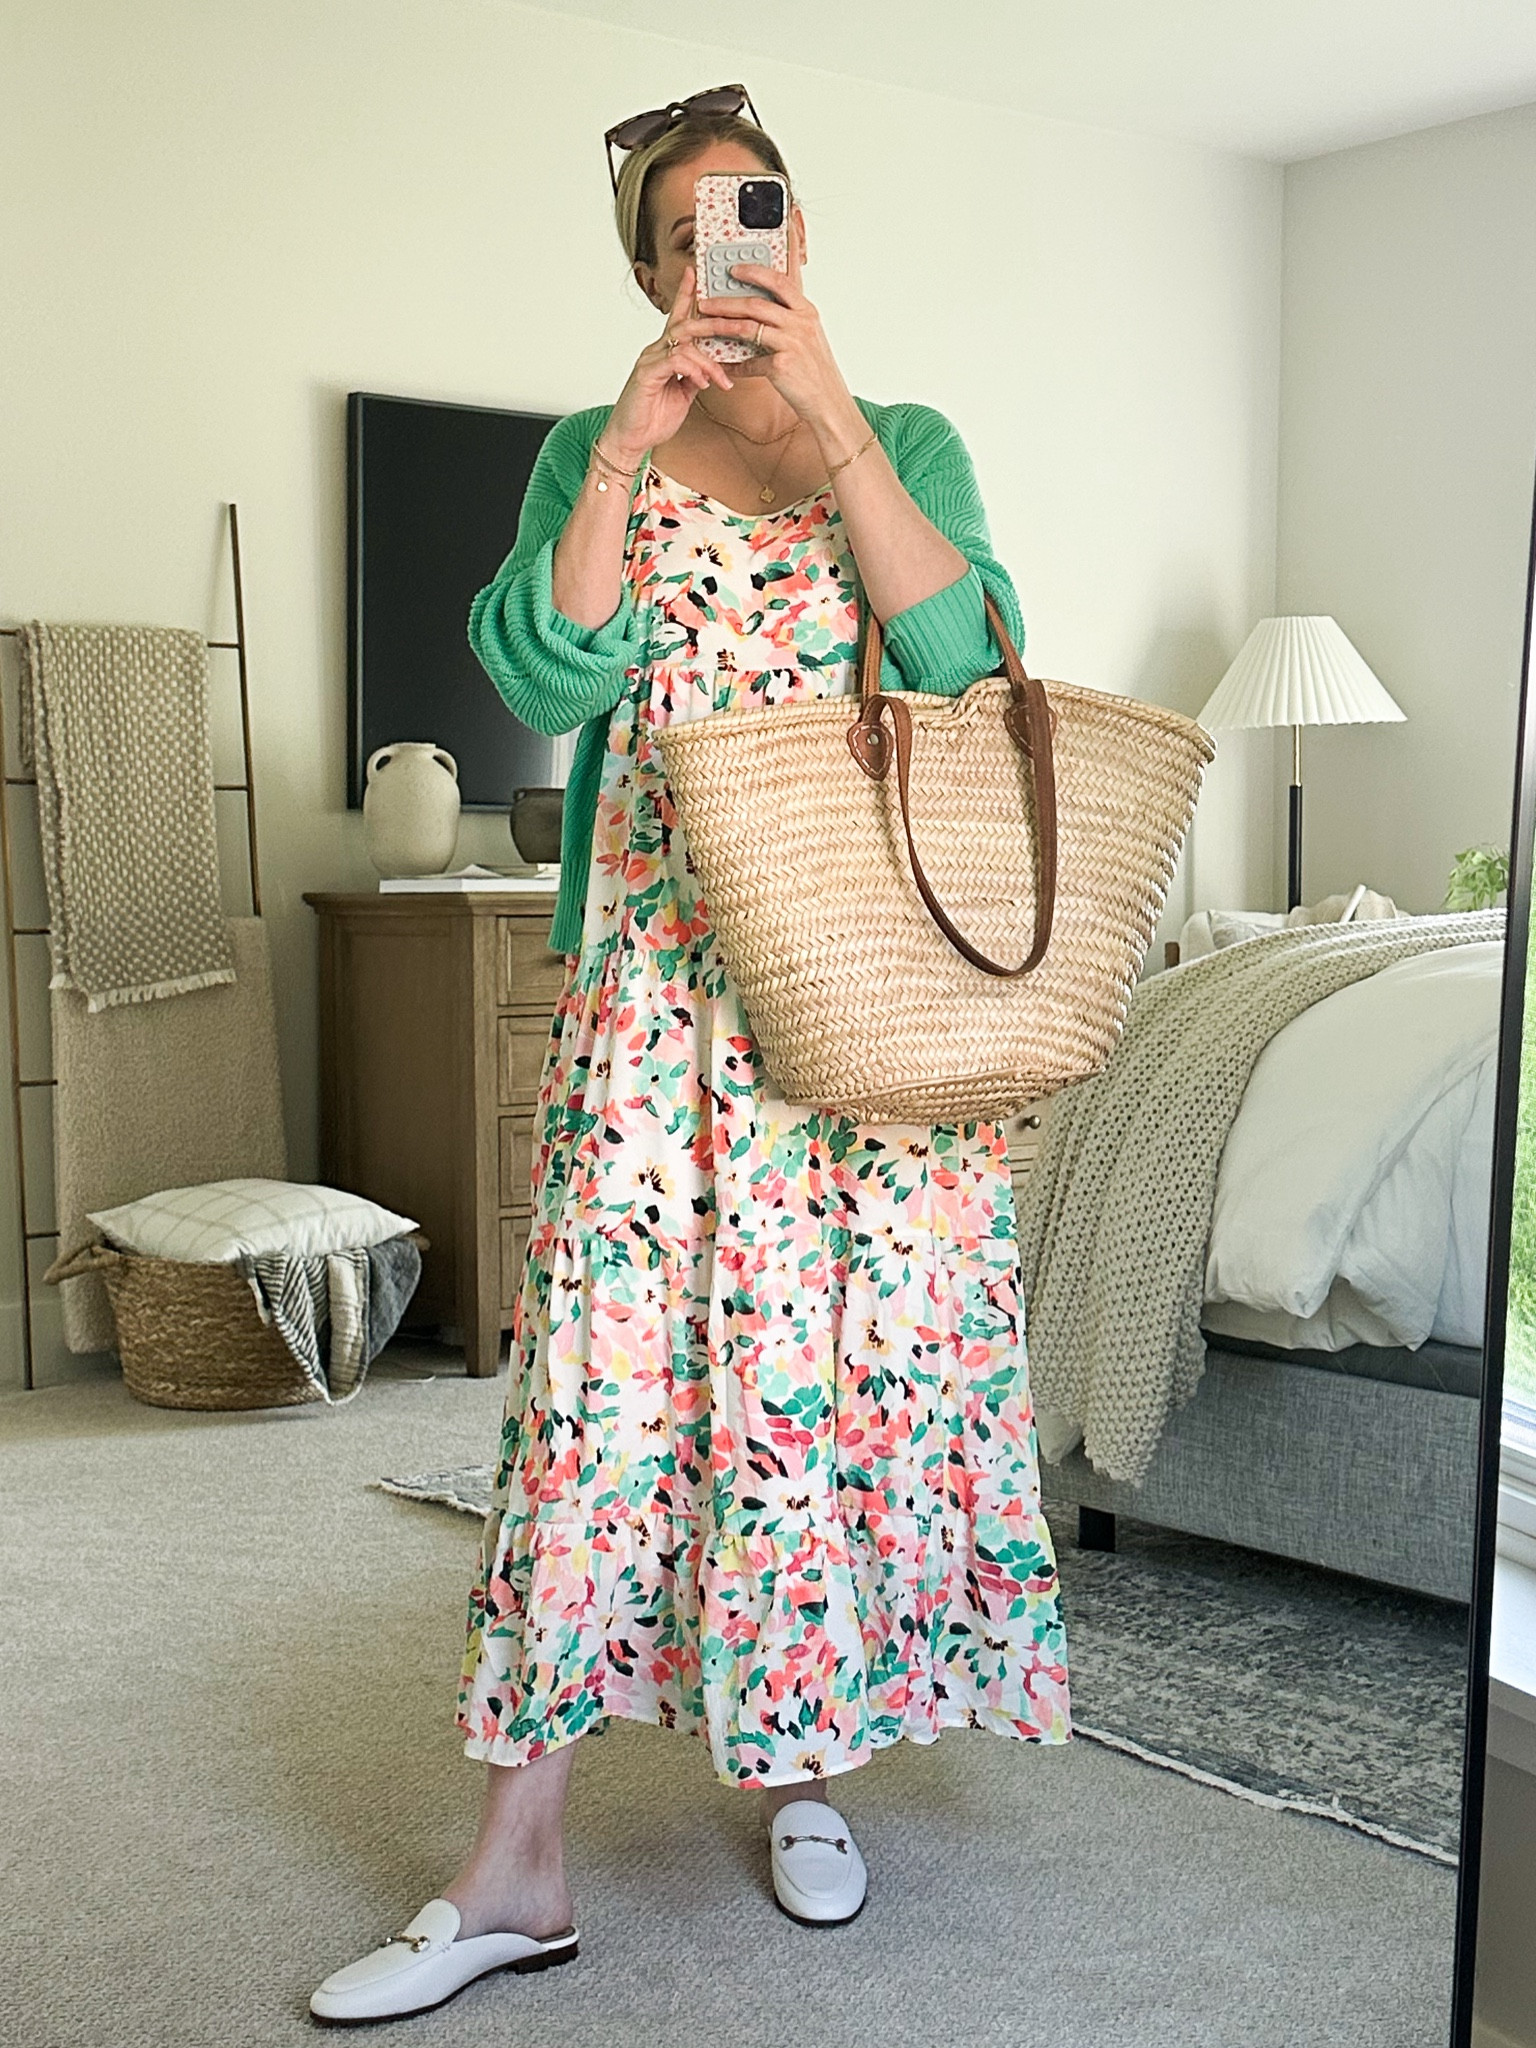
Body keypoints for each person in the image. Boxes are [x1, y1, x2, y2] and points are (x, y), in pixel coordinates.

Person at [311, 84, 1070, 2027]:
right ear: (654, 277)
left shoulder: (902, 440)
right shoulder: (599, 442)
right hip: (655, 1011)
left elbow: (969, 658)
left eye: (760, 218)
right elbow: (535, 674)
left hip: (849, 1029)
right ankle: (519, 1859)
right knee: (597, 1408)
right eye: (686, 238)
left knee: (804, 1401)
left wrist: (830, 431)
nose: (728, 258)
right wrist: (623, 463)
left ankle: (798, 1760)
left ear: (798, 242)